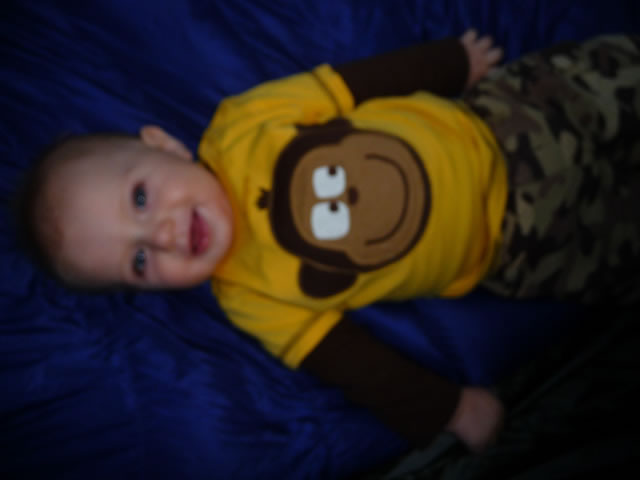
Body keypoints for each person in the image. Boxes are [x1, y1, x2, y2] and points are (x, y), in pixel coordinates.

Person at [16, 30, 640, 453]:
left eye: (140, 198)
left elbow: (347, 85)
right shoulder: (249, 297)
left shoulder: (241, 123)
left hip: (501, 121)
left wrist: (451, 64)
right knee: (618, 250)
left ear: (164, 145)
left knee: (609, 78)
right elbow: (352, 361)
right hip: (517, 245)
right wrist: (448, 409)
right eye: (139, 260)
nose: (163, 234)